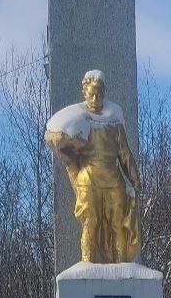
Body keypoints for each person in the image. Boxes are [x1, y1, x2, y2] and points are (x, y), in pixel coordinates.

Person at [45, 69, 142, 264]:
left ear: (104, 93)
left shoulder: (114, 121)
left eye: (99, 93)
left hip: (114, 179)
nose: (96, 97)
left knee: (118, 225)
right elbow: (56, 132)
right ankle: (87, 265)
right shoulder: (79, 119)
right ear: (85, 93)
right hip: (88, 179)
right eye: (92, 93)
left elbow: (125, 154)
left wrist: (135, 178)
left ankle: (122, 266)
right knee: (91, 222)